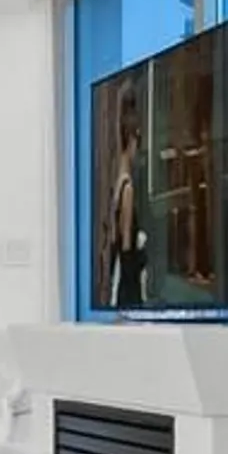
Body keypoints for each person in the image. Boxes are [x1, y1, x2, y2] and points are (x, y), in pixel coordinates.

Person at [99, 85, 150, 307]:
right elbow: (126, 243)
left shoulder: (117, 183)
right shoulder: (128, 187)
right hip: (127, 285)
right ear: (133, 140)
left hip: (117, 273)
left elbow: (113, 237)